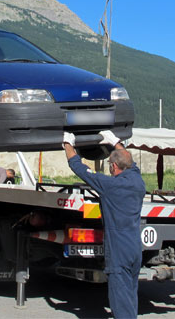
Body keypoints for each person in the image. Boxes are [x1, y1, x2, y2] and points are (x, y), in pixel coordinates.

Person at [63, 130, 145, 319]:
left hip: (118, 251)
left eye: (110, 164)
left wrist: (68, 143)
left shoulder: (110, 186)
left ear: (113, 166)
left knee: (120, 301)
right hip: (134, 248)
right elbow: (131, 164)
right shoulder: (138, 181)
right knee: (130, 296)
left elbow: (79, 168)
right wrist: (115, 142)